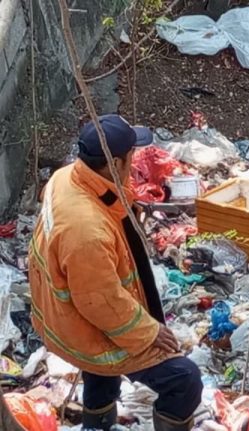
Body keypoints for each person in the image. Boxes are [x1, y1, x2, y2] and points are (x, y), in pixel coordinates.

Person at [28, 115, 203, 431]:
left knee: (102, 369)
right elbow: (101, 303)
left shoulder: (67, 177)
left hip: (59, 311)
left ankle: (97, 424)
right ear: (115, 163)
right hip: (82, 324)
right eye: (131, 155)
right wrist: (149, 331)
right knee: (184, 379)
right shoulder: (86, 232)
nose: (134, 162)